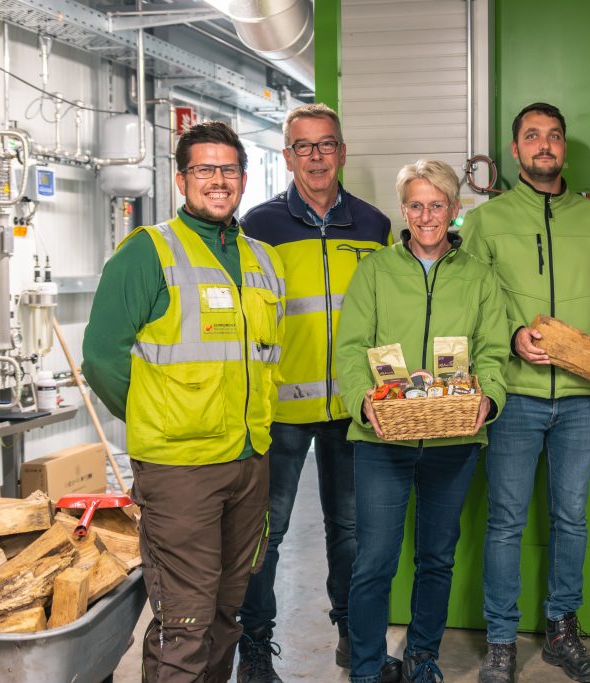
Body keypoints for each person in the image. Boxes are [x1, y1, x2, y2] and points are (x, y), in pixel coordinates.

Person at [82, 121, 285, 683]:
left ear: (244, 178)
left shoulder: (263, 260)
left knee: (225, 613)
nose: (217, 181)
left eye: (228, 170)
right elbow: (100, 357)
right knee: (185, 621)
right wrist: (158, 415)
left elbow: (267, 359)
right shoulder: (149, 252)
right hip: (180, 471)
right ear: (180, 178)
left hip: (248, 463)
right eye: (204, 169)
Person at [461, 102, 590, 683]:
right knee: (507, 521)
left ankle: (563, 631)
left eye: (554, 136)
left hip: (583, 400)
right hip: (516, 397)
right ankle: (499, 641)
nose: (545, 145)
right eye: (532, 136)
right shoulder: (487, 222)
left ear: (564, 149)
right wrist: (512, 336)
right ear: (514, 151)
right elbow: (474, 303)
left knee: (571, 518)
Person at [336, 159, 510, 683]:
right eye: (416, 204)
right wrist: (362, 401)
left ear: (455, 211)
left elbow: (494, 353)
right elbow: (349, 351)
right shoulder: (374, 271)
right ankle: (367, 668)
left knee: (436, 558)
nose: (427, 215)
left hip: (452, 438)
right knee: (374, 563)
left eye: (438, 205)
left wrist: (490, 400)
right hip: (382, 438)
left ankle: (422, 658)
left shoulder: (479, 278)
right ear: (403, 210)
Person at [237, 103, 392, 683]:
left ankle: (355, 641)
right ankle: (255, 647)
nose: (317, 156)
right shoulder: (259, 226)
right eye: (304, 146)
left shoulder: (375, 227)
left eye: (327, 144)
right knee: (265, 535)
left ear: (342, 152)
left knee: (351, 532)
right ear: (288, 156)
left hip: (354, 407)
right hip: (281, 409)